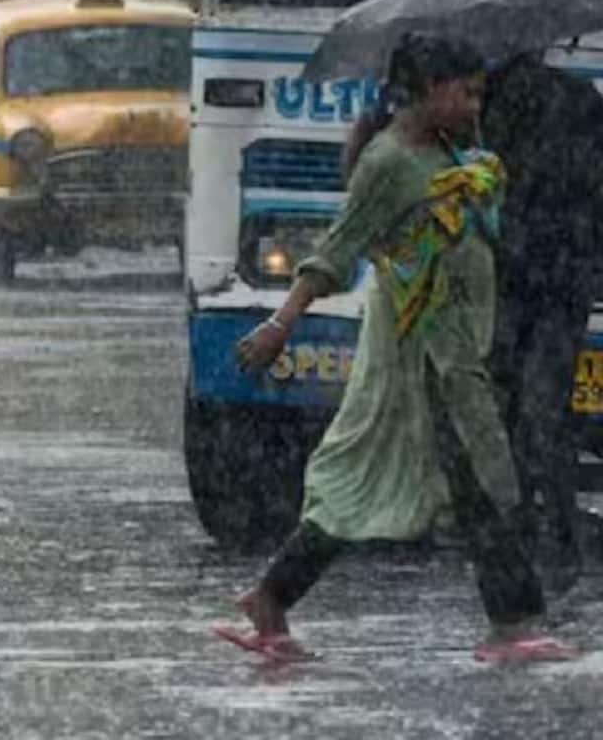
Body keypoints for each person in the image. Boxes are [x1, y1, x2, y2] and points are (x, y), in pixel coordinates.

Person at [215, 34, 574, 665]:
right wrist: (280, 325)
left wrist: (480, 182)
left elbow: (459, 230)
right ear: (429, 90)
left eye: (476, 94)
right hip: (421, 351)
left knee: (426, 475)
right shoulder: (385, 162)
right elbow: (338, 247)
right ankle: (511, 623)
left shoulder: (448, 147)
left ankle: (272, 599)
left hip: (457, 343)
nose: (472, 104)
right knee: (469, 474)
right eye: (464, 92)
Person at [481, 50, 603, 591]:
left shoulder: (477, 105)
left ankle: (526, 526)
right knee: (539, 408)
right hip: (559, 275)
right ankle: (551, 530)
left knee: (511, 405)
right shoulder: (580, 101)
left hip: (517, 274)